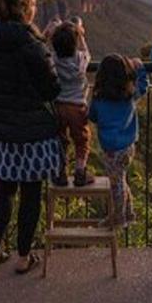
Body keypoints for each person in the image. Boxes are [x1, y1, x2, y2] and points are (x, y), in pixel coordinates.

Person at [0, 0, 62, 274]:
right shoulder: (30, 44)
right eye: (33, 4)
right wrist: (46, 47)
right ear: (25, 8)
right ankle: (24, 257)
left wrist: (42, 41)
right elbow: (51, 88)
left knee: (4, 190)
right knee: (30, 193)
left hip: (0, 131)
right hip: (32, 133)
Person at [87, 54, 149, 227]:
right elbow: (144, 86)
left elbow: (92, 117)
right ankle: (128, 213)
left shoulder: (99, 99)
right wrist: (140, 68)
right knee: (121, 179)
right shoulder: (130, 95)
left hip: (111, 150)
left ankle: (118, 217)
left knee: (116, 184)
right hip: (129, 146)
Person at [47, 17, 92, 187]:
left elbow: (45, 52)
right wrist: (80, 34)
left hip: (58, 106)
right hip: (77, 107)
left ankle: (60, 172)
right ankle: (80, 171)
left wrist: (49, 35)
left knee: (60, 140)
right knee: (81, 140)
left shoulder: (53, 60)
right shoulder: (81, 60)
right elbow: (87, 52)